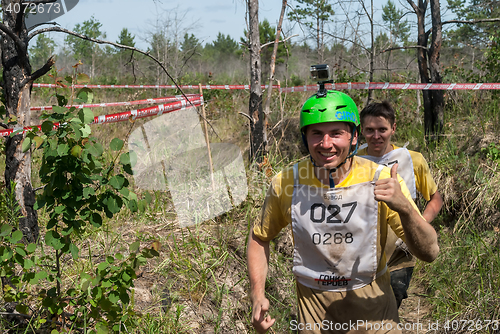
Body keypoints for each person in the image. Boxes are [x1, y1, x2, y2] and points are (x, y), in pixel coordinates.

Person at [247, 90, 439, 334]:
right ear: (305, 138)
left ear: (354, 137)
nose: (326, 144)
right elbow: (259, 237)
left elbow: (430, 251)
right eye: (317, 133)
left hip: (375, 319)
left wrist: (405, 209)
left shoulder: (379, 178)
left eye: (336, 133)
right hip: (315, 320)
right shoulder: (286, 182)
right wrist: (257, 294)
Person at [357, 100, 443, 308]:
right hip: (361, 250)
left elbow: (435, 198)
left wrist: (418, 223)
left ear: (393, 128)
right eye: (369, 130)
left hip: (400, 252)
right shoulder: (353, 159)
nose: (376, 136)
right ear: (361, 130)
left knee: (390, 303)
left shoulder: (412, 159)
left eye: (382, 130)